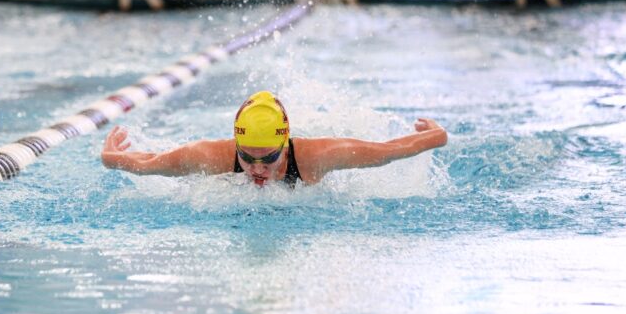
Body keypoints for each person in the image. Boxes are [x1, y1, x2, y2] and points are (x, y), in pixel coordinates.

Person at [101, 91, 447, 186]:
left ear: (285, 145)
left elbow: (388, 152)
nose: (256, 168)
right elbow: (149, 164)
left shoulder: (315, 157)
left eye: (268, 158)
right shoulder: (210, 156)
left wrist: (435, 135)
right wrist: (112, 158)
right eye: (246, 157)